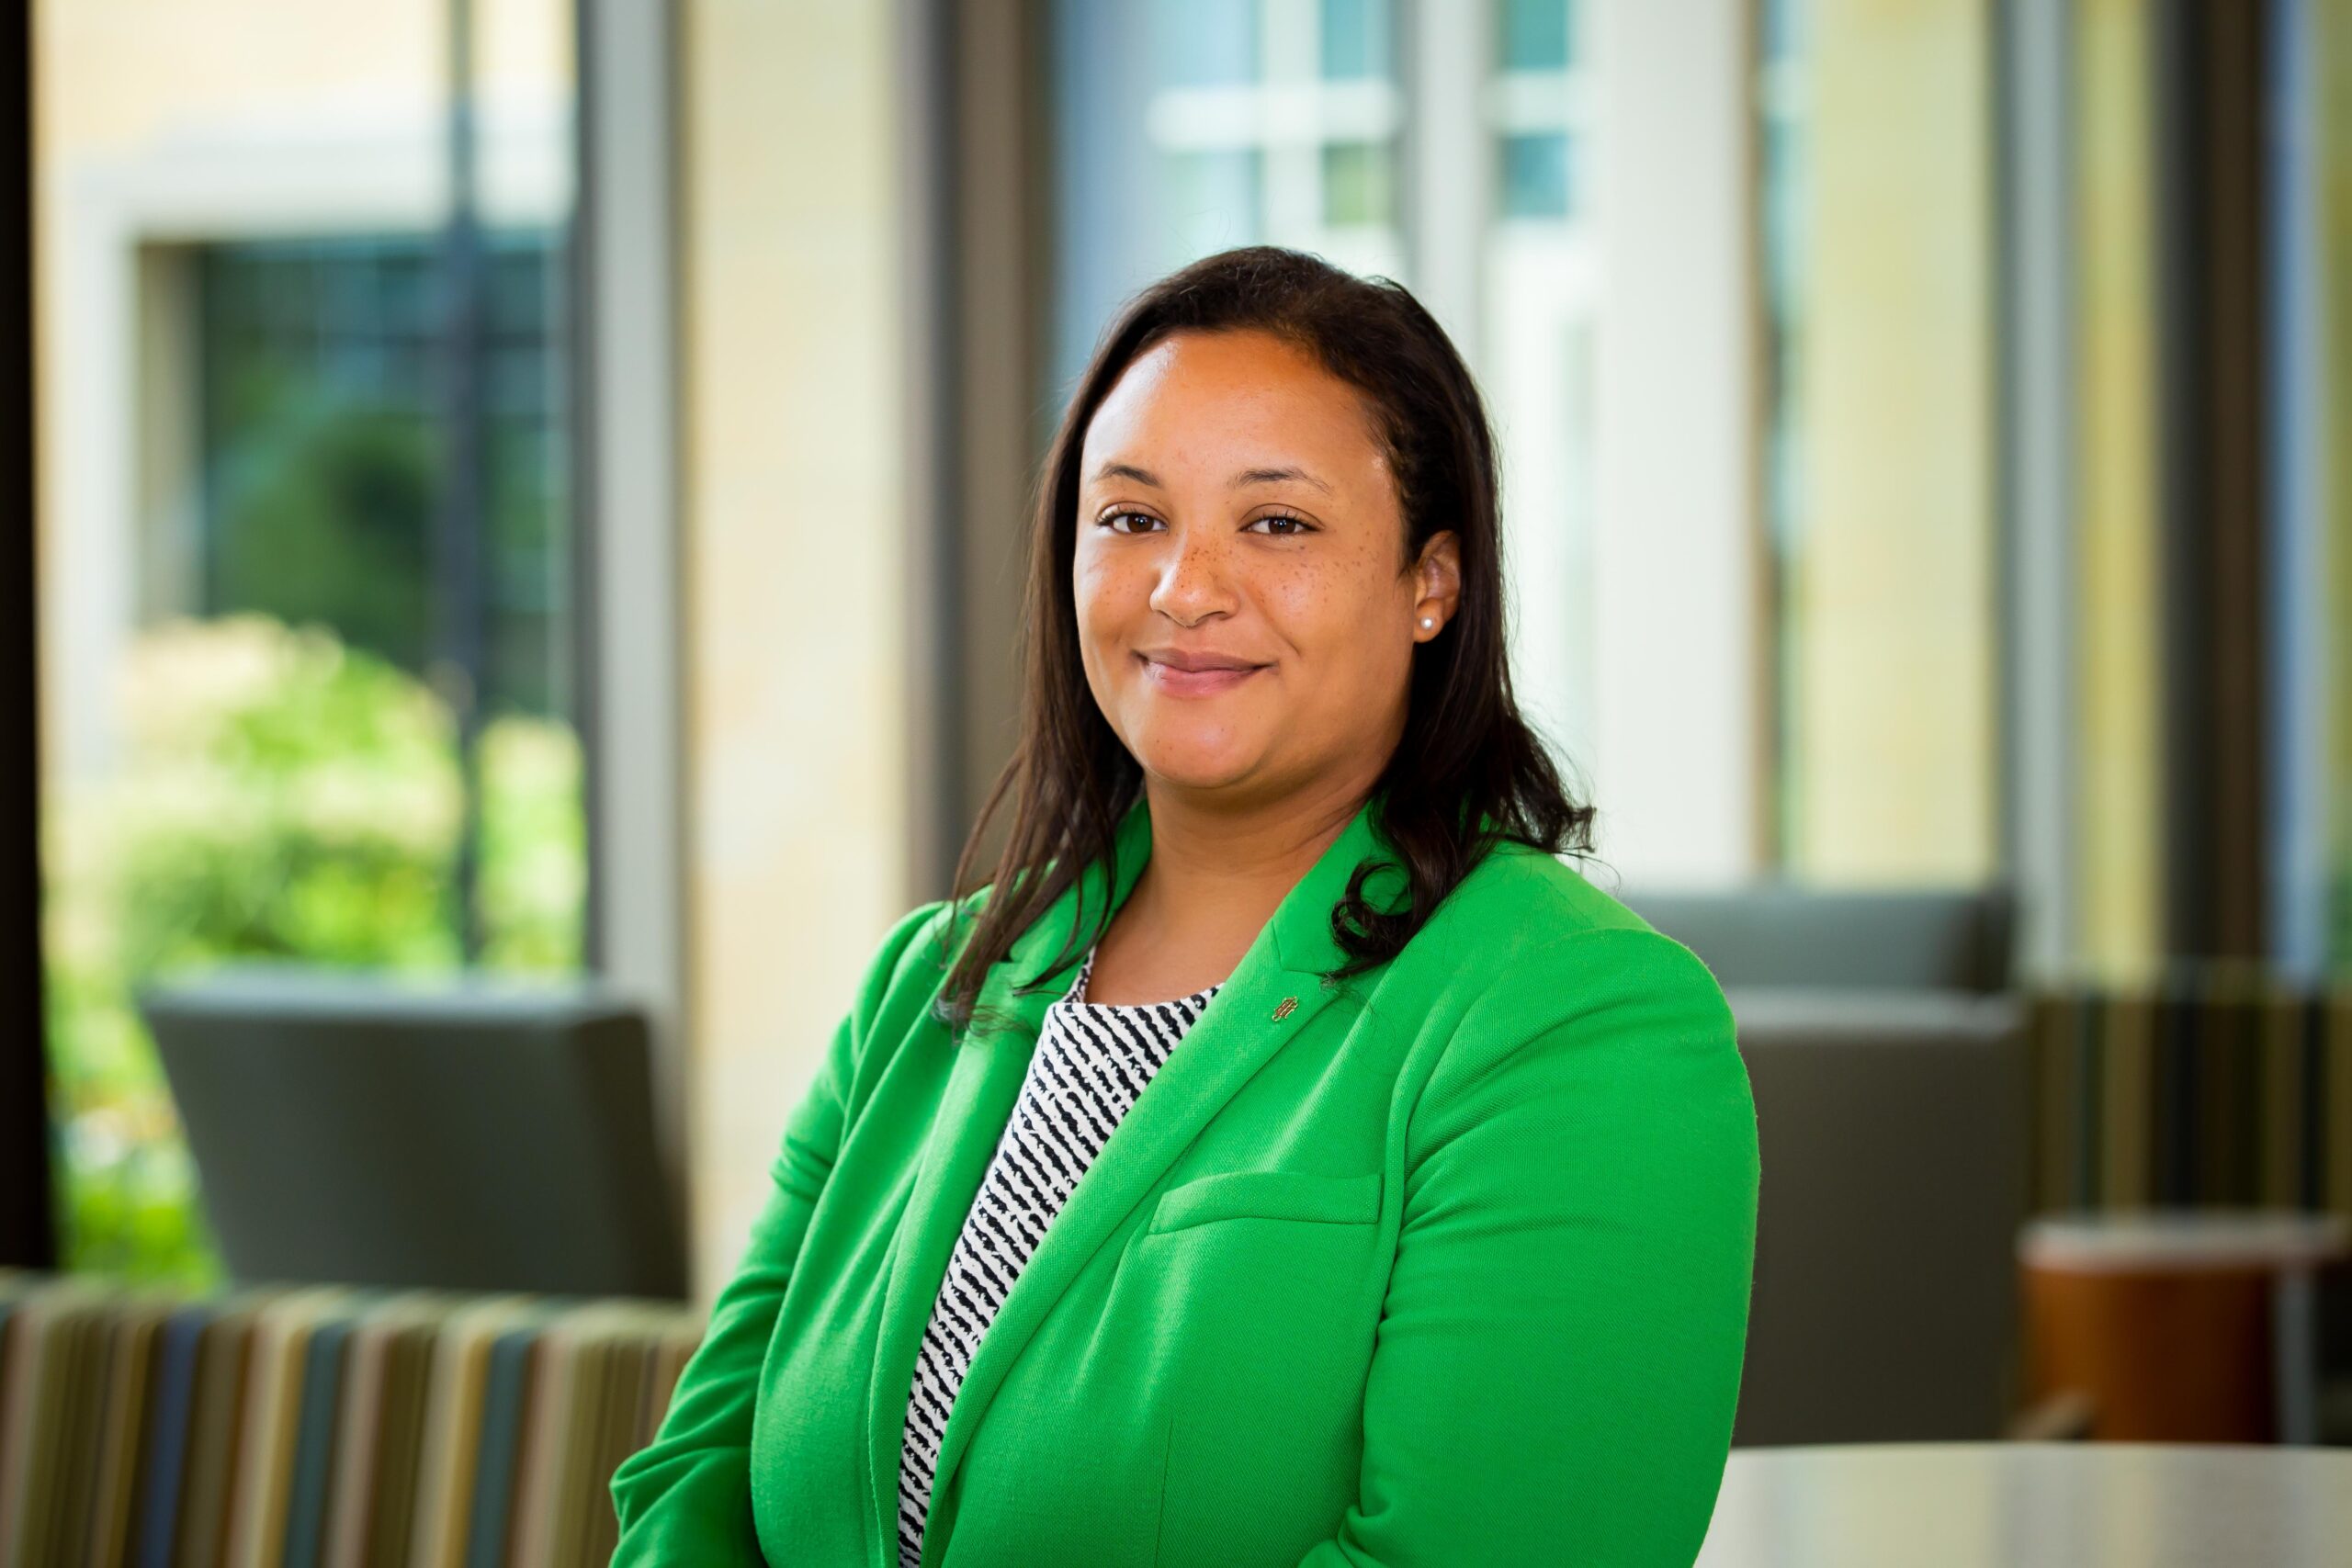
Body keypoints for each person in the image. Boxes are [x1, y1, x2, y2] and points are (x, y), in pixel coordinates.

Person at [608, 245, 1759, 1567]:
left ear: (1431, 582)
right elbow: (698, 1483)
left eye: (1277, 523)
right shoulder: (930, 985)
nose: (1184, 589)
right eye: (1132, 517)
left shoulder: (1575, 1021)